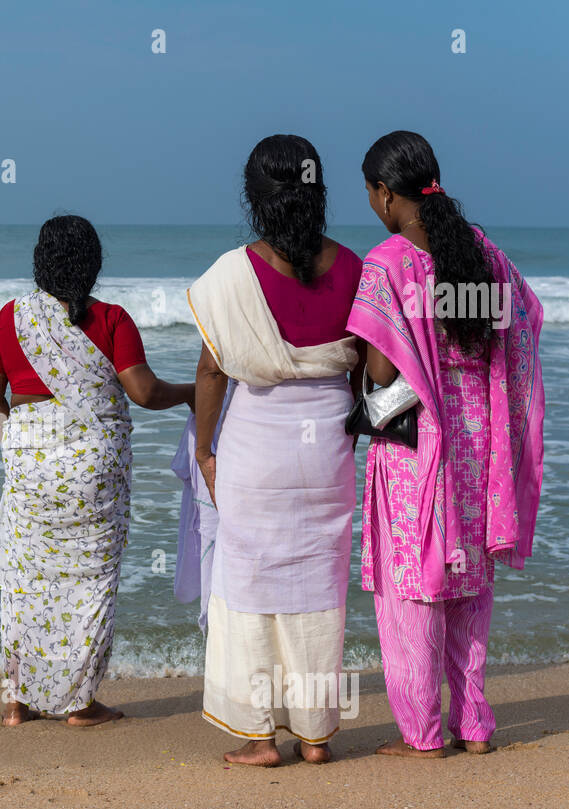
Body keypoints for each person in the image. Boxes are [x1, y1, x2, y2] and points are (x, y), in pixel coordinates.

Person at [347, 130, 545, 758]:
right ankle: (476, 725)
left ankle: (423, 734)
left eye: (370, 193)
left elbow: (381, 375)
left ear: (384, 193)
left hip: (416, 447)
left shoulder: (389, 263)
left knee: (414, 587)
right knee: (466, 582)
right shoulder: (484, 253)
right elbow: (526, 320)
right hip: (477, 440)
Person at [0, 215, 194, 727]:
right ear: (93, 264)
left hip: (30, 463)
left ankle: (16, 703)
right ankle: (80, 704)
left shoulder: (12, 317)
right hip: (92, 469)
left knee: (25, 579)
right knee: (91, 582)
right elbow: (143, 392)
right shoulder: (111, 319)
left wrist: (12, 439)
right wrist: (196, 392)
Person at [189, 135, 361, 766]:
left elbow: (212, 375)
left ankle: (260, 739)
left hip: (255, 451)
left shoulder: (232, 274)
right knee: (320, 585)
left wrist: (206, 450)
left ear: (254, 198)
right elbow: (369, 372)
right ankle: (315, 735)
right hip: (328, 452)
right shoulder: (352, 268)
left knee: (250, 588)